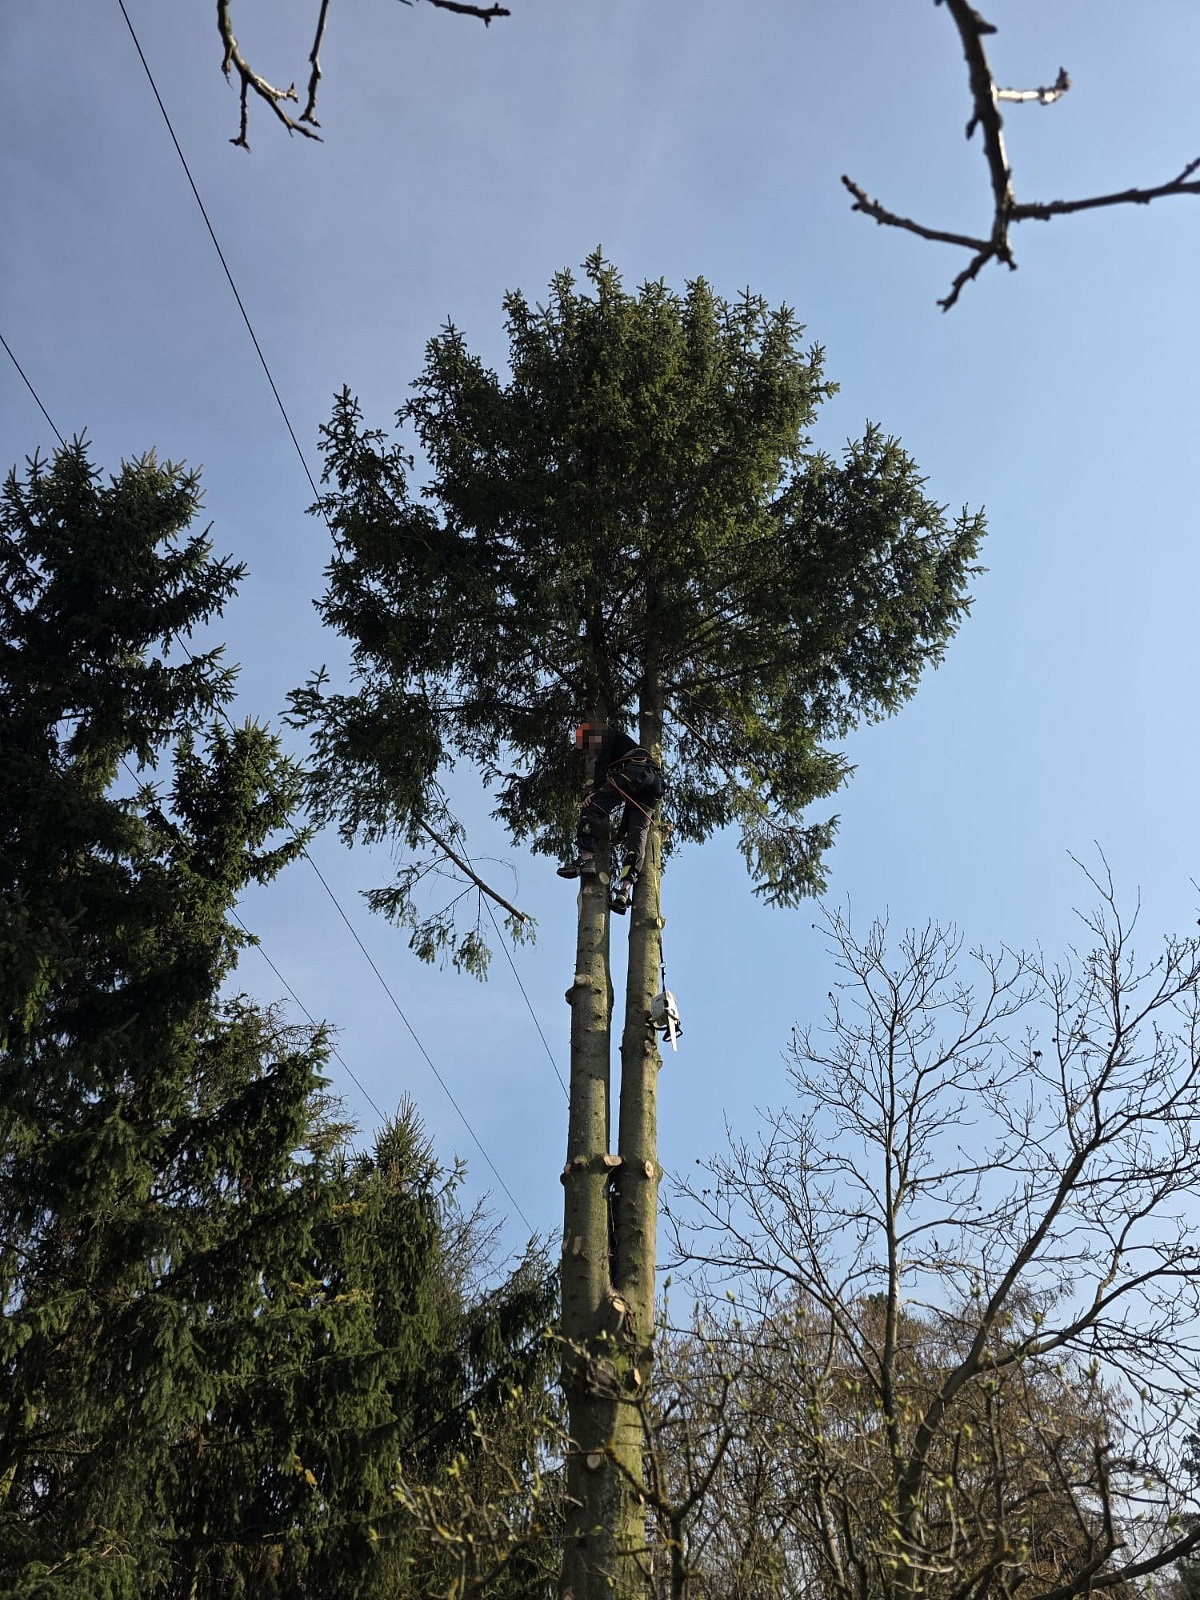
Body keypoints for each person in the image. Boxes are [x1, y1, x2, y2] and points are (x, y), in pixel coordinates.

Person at [556, 722, 665, 914]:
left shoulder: (606, 735)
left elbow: (603, 761)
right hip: (653, 785)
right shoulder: (623, 744)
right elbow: (631, 806)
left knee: (592, 807)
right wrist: (622, 832)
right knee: (637, 839)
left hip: (634, 770)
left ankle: (586, 859)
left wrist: (595, 790)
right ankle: (624, 891)